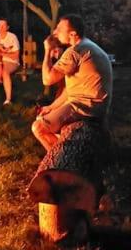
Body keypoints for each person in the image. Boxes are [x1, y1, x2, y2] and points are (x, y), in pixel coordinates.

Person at [32, 14, 113, 151]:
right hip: (96, 106)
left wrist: (48, 50)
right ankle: (66, 148)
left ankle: (59, 158)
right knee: (46, 115)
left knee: (38, 127)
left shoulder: (75, 51)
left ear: (73, 34)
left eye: (59, 29)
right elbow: (71, 90)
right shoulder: (88, 45)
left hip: (86, 108)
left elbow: (47, 79)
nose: (55, 32)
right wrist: (51, 107)